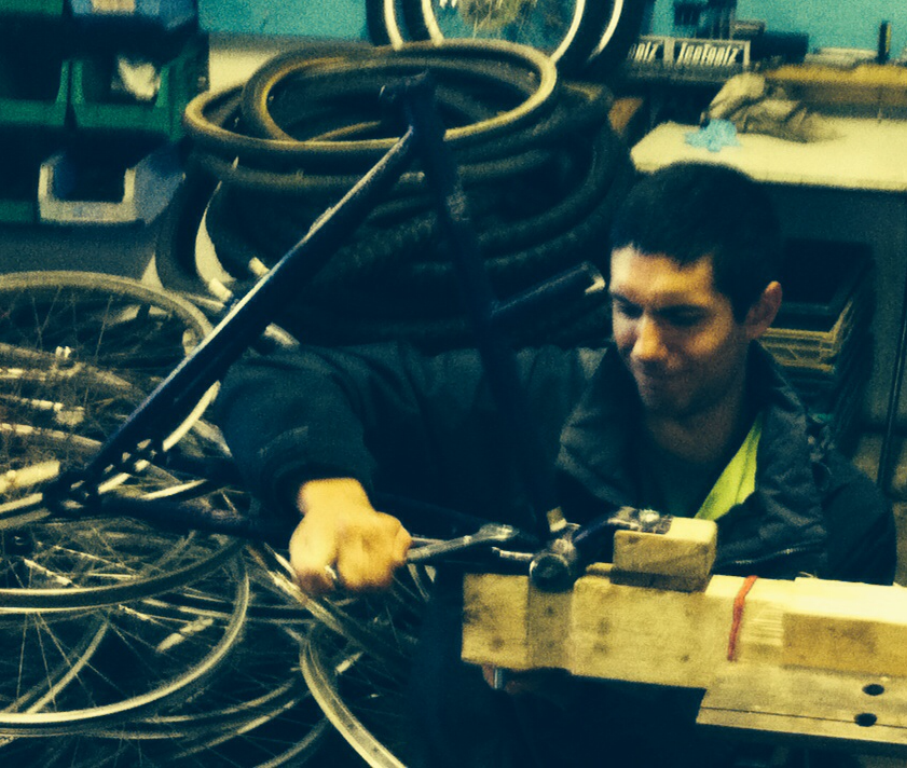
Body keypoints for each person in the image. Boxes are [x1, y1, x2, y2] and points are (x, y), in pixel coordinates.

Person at [214, 161, 896, 767]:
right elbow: (283, 377)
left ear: (760, 312)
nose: (644, 346)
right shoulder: (532, 408)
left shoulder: (838, 522)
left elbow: (811, 734)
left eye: (682, 317)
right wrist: (332, 499)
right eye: (626, 309)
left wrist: (588, 688)